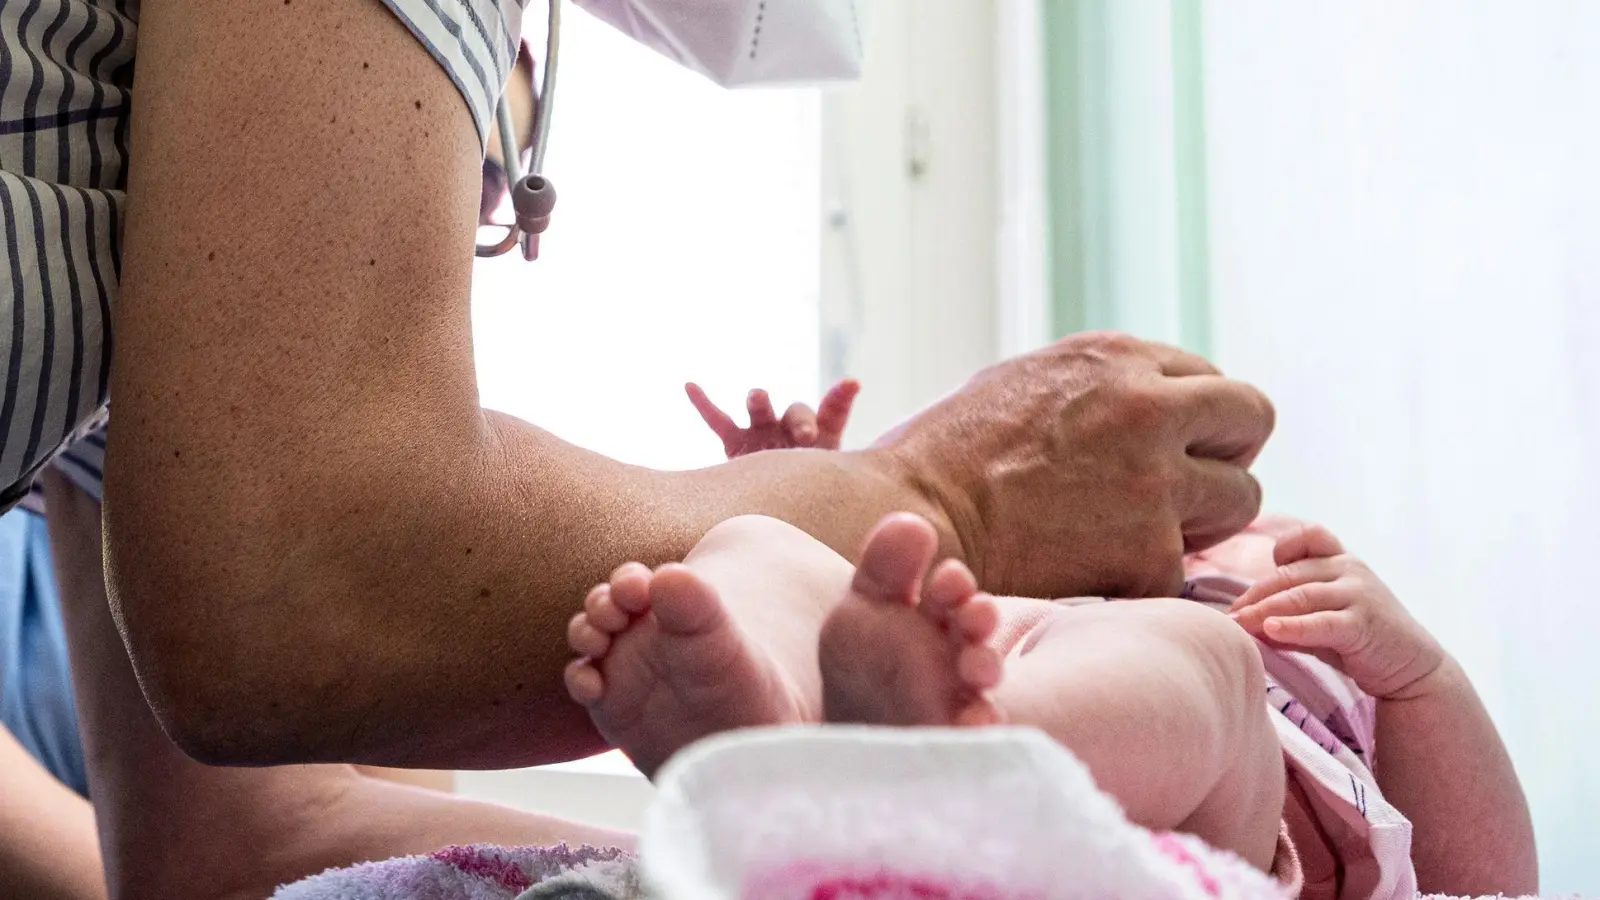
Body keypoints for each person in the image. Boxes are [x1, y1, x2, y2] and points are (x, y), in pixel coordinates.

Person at [1, 0, 1274, 772]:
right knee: (1202, 682)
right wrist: (943, 500)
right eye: (482, 155)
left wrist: (749, 852)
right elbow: (294, 586)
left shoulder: (177, 325)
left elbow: (228, 849)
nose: (472, 211)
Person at [559, 388, 1538, 898]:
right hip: (1017, 666)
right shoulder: (1057, 589)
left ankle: (970, 745)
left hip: (1222, 835)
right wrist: (798, 485)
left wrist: (1421, 677)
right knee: (756, 547)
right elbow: (916, 581)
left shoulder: (1271, 633)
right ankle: (778, 713)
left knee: (1210, 666)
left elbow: (1492, 886)